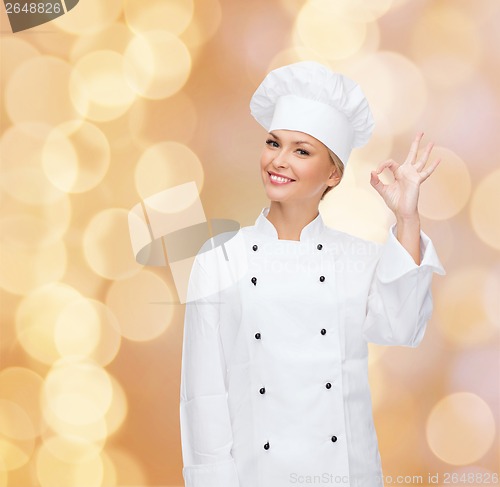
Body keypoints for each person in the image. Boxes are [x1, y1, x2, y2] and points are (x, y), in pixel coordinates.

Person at [179, 61, 445, 487]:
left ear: (333, 173)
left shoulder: (358, 258)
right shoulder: (220, 261)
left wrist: (407, 218)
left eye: (301, 150)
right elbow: (203, 396)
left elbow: (401, 328)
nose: (278, 161)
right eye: (273, 143)